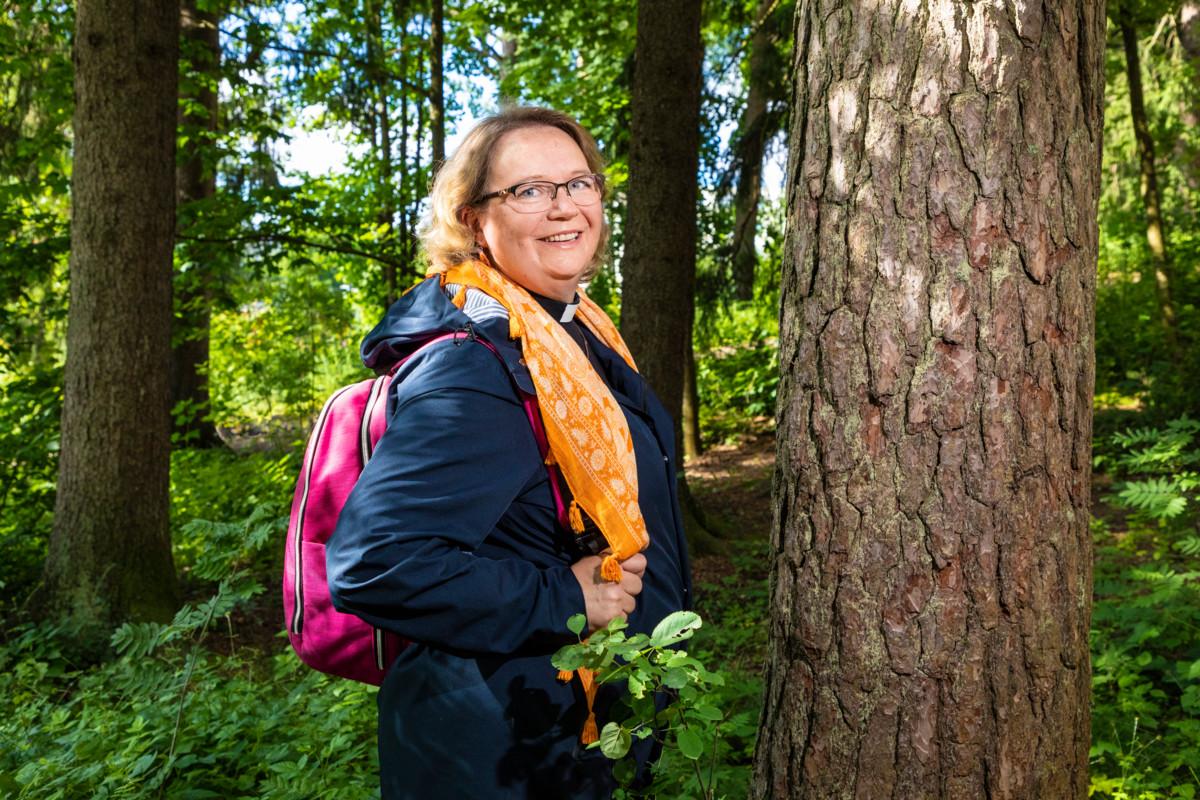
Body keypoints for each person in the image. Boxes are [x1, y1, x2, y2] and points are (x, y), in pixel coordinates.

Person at [326, 106, 692, 799]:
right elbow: (374, 563)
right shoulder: (476, 367)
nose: (564, 208)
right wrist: (566, 595)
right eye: (528, 191)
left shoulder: (574, 334)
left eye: (578, 184)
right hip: (496, 754)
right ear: (474, 219)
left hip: (558, 733)